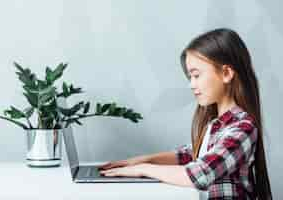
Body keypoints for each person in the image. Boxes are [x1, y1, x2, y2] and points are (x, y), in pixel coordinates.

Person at [99, 28, 273, 200]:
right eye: (190, 77)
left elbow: (201, 174)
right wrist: (139, 161)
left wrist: (143, 169)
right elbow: (188, 155)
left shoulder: (242, 128)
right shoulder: (215, 125)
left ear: (226, 73)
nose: (191, 84)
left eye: (196, 75)